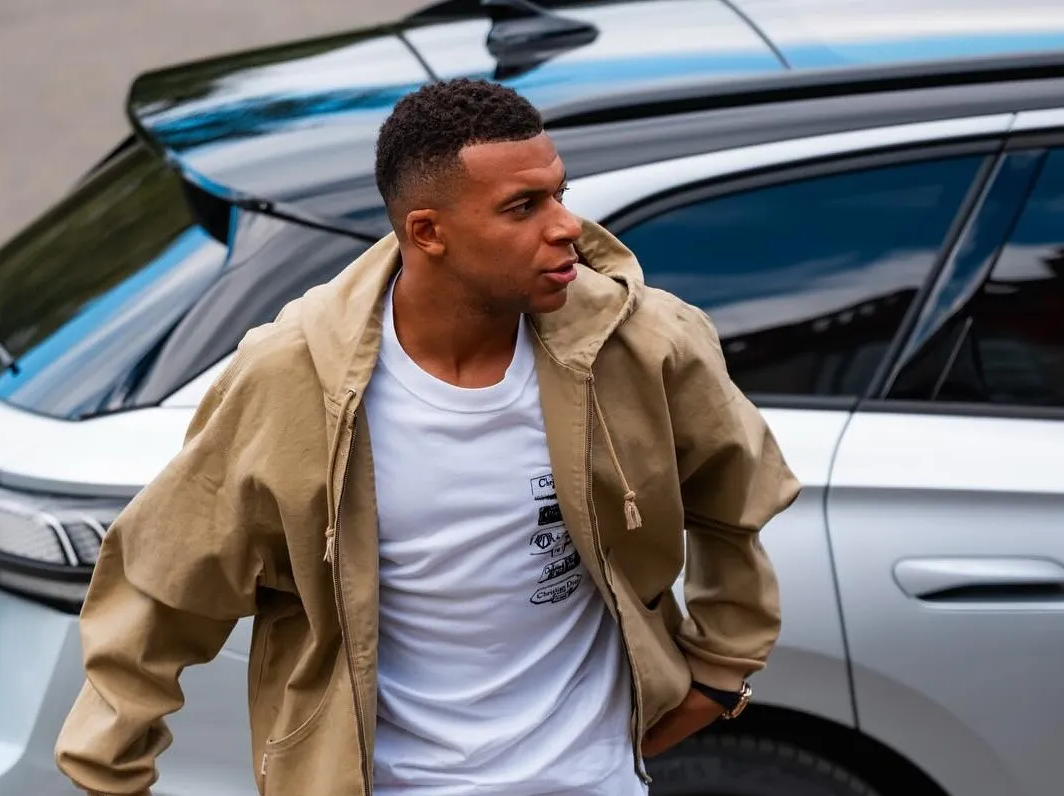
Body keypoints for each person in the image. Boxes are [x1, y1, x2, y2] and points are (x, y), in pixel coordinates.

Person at [54, 77, 800, 796]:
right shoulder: (296, 378)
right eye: (522, 206)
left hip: (592, 779)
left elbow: (734, 495)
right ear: (428, 232)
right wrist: (109, 769)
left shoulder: (639, 343)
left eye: (559, 194)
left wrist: (721, 667)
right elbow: (164, 586)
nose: (565, 226)